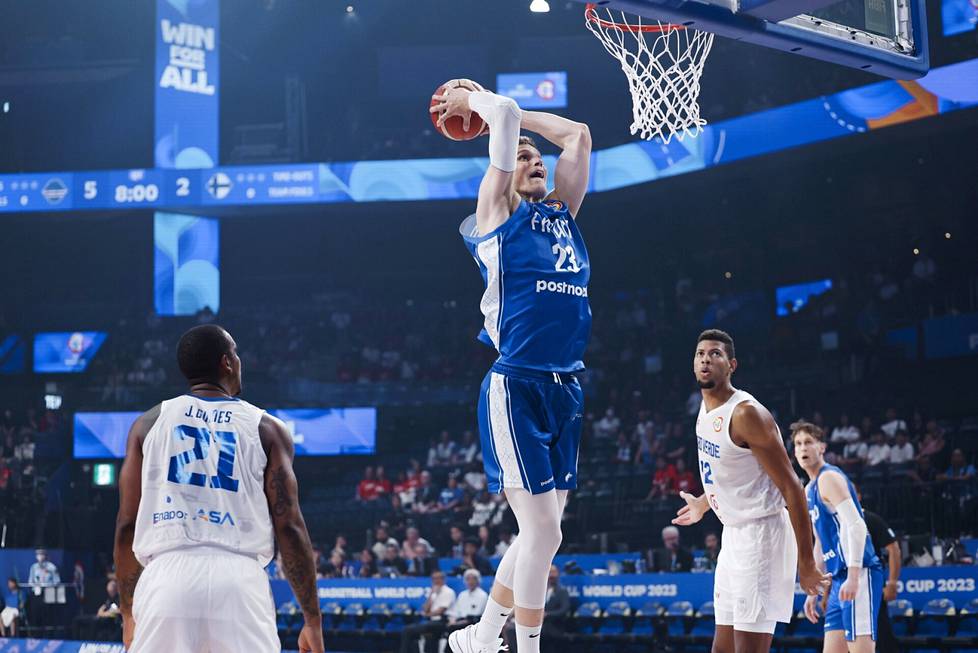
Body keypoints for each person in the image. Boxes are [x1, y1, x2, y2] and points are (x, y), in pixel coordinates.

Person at [434, 78, 592, 653]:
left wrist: (523, 118)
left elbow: (578, 135)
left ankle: (479, 635)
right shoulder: (495, 214)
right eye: (521, 155)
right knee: (544, 530)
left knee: (540, 538)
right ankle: (524, 648)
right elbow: (499, 114)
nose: (535, 159)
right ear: (501, 169)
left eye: (537, 156)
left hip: (567, 386)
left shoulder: (562, 216)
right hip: (517, 382)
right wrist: (476, 104)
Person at [113, 325, 324, 653]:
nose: (240, 361)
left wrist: (128, 613)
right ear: (227, 362)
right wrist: (312, 620)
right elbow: (290, 526)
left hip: (166, 579)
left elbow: (127, 526)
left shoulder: (147, 424)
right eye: (236, 354)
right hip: (238, 580)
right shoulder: (267, 428)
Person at [674, 330, 829, 653]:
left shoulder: (746, 414)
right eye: (700, 353)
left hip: (762, 536)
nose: (706, 359)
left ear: (731, 365)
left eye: (715, 354)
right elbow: (736, 474)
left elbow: (792, 487)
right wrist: (705, 503)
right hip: (733, 535)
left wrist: (806, 561)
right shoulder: (704, 413)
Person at [793, 421, 884, 653]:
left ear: (821, 447)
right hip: (837, 579)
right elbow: (820, 542)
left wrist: (853, 576)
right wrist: (814, 588)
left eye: (809, 442)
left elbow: (856, 525)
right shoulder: (808, 490)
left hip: (859, 571)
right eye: (798, 444)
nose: (803, 448)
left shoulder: (829, 478)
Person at [862, 499, 901, 653]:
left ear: (857, 496)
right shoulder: (836, 521)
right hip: (846, 587)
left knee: (882, 633)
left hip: (871, 584)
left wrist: (892, 583)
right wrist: (826, 593)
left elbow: (894, 549)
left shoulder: (870, 519)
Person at [504, 565, 571, 653]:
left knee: (528, 630)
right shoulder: (537, 590)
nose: (552, 575)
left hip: (552, 624)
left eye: (554, 572)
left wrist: (547, 614)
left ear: (558, 574)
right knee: (510, 628)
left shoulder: (562, 591)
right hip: (535, 622)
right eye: (550, 572)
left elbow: (564, 610)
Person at [400, 570, 457, 653]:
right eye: (434, 579)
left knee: (408, 630)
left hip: (443, 621)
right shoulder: (433, 593)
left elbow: (440, 611)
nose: (436, 581)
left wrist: (427, 615)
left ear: (443, 579)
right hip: (431, 621)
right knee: (409, 630)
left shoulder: (448, 592)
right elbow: (425, 609)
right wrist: (431, 594)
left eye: (438, 578)